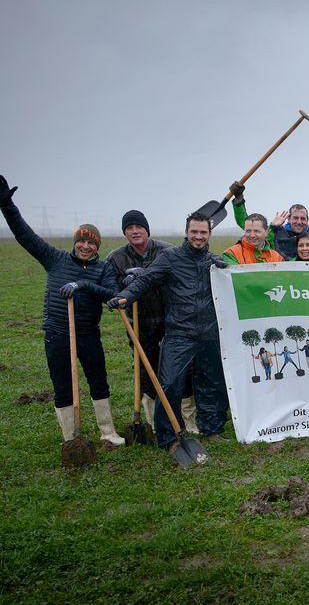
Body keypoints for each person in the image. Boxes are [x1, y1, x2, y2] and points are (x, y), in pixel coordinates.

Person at [0, 176, 125, 446]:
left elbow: (112, 296)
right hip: (57, 333)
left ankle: (108, 432)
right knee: (62, 385)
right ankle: (71, 438)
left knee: (98, 380)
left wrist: (83, 285)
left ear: (97, 247)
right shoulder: (54, 258)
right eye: (82, 241)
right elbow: (25, 235)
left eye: (92, 243)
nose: (86, 246)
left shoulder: (103, 269)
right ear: (75, 241)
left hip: (88, 334)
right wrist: (6, 204)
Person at [110, 211, 231, 447]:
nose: (198, 236)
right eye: (194, 232)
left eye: (203, 232)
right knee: (169, 384)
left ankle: (212, 429)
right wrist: (124, 297)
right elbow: (146, 280)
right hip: (179, 334)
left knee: (212, 383)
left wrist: (224, 270)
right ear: (187, 233)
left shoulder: (213, 262)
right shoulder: (170, 257)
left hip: (209, 333)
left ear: (210, 234)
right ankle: (168, 436)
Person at [107, 209, 173, 425]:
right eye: (129, 228)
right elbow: (110, 292)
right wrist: (122, 286)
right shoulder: (116, 258)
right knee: (146, 370)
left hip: (169, 318)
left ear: (147, 229)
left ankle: (181, 415)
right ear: (125, 233)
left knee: (176, 366)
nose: (135, 232)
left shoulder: (166, 251)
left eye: (139, 227)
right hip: (138, 323)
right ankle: (154, 421)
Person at [230, 172, 309, 259]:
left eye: (303, 218)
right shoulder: (275, 233)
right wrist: (239, 199)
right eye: (295, 218)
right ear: (288, 219)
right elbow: (247, 225)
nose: (299, 222)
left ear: (308, 220)